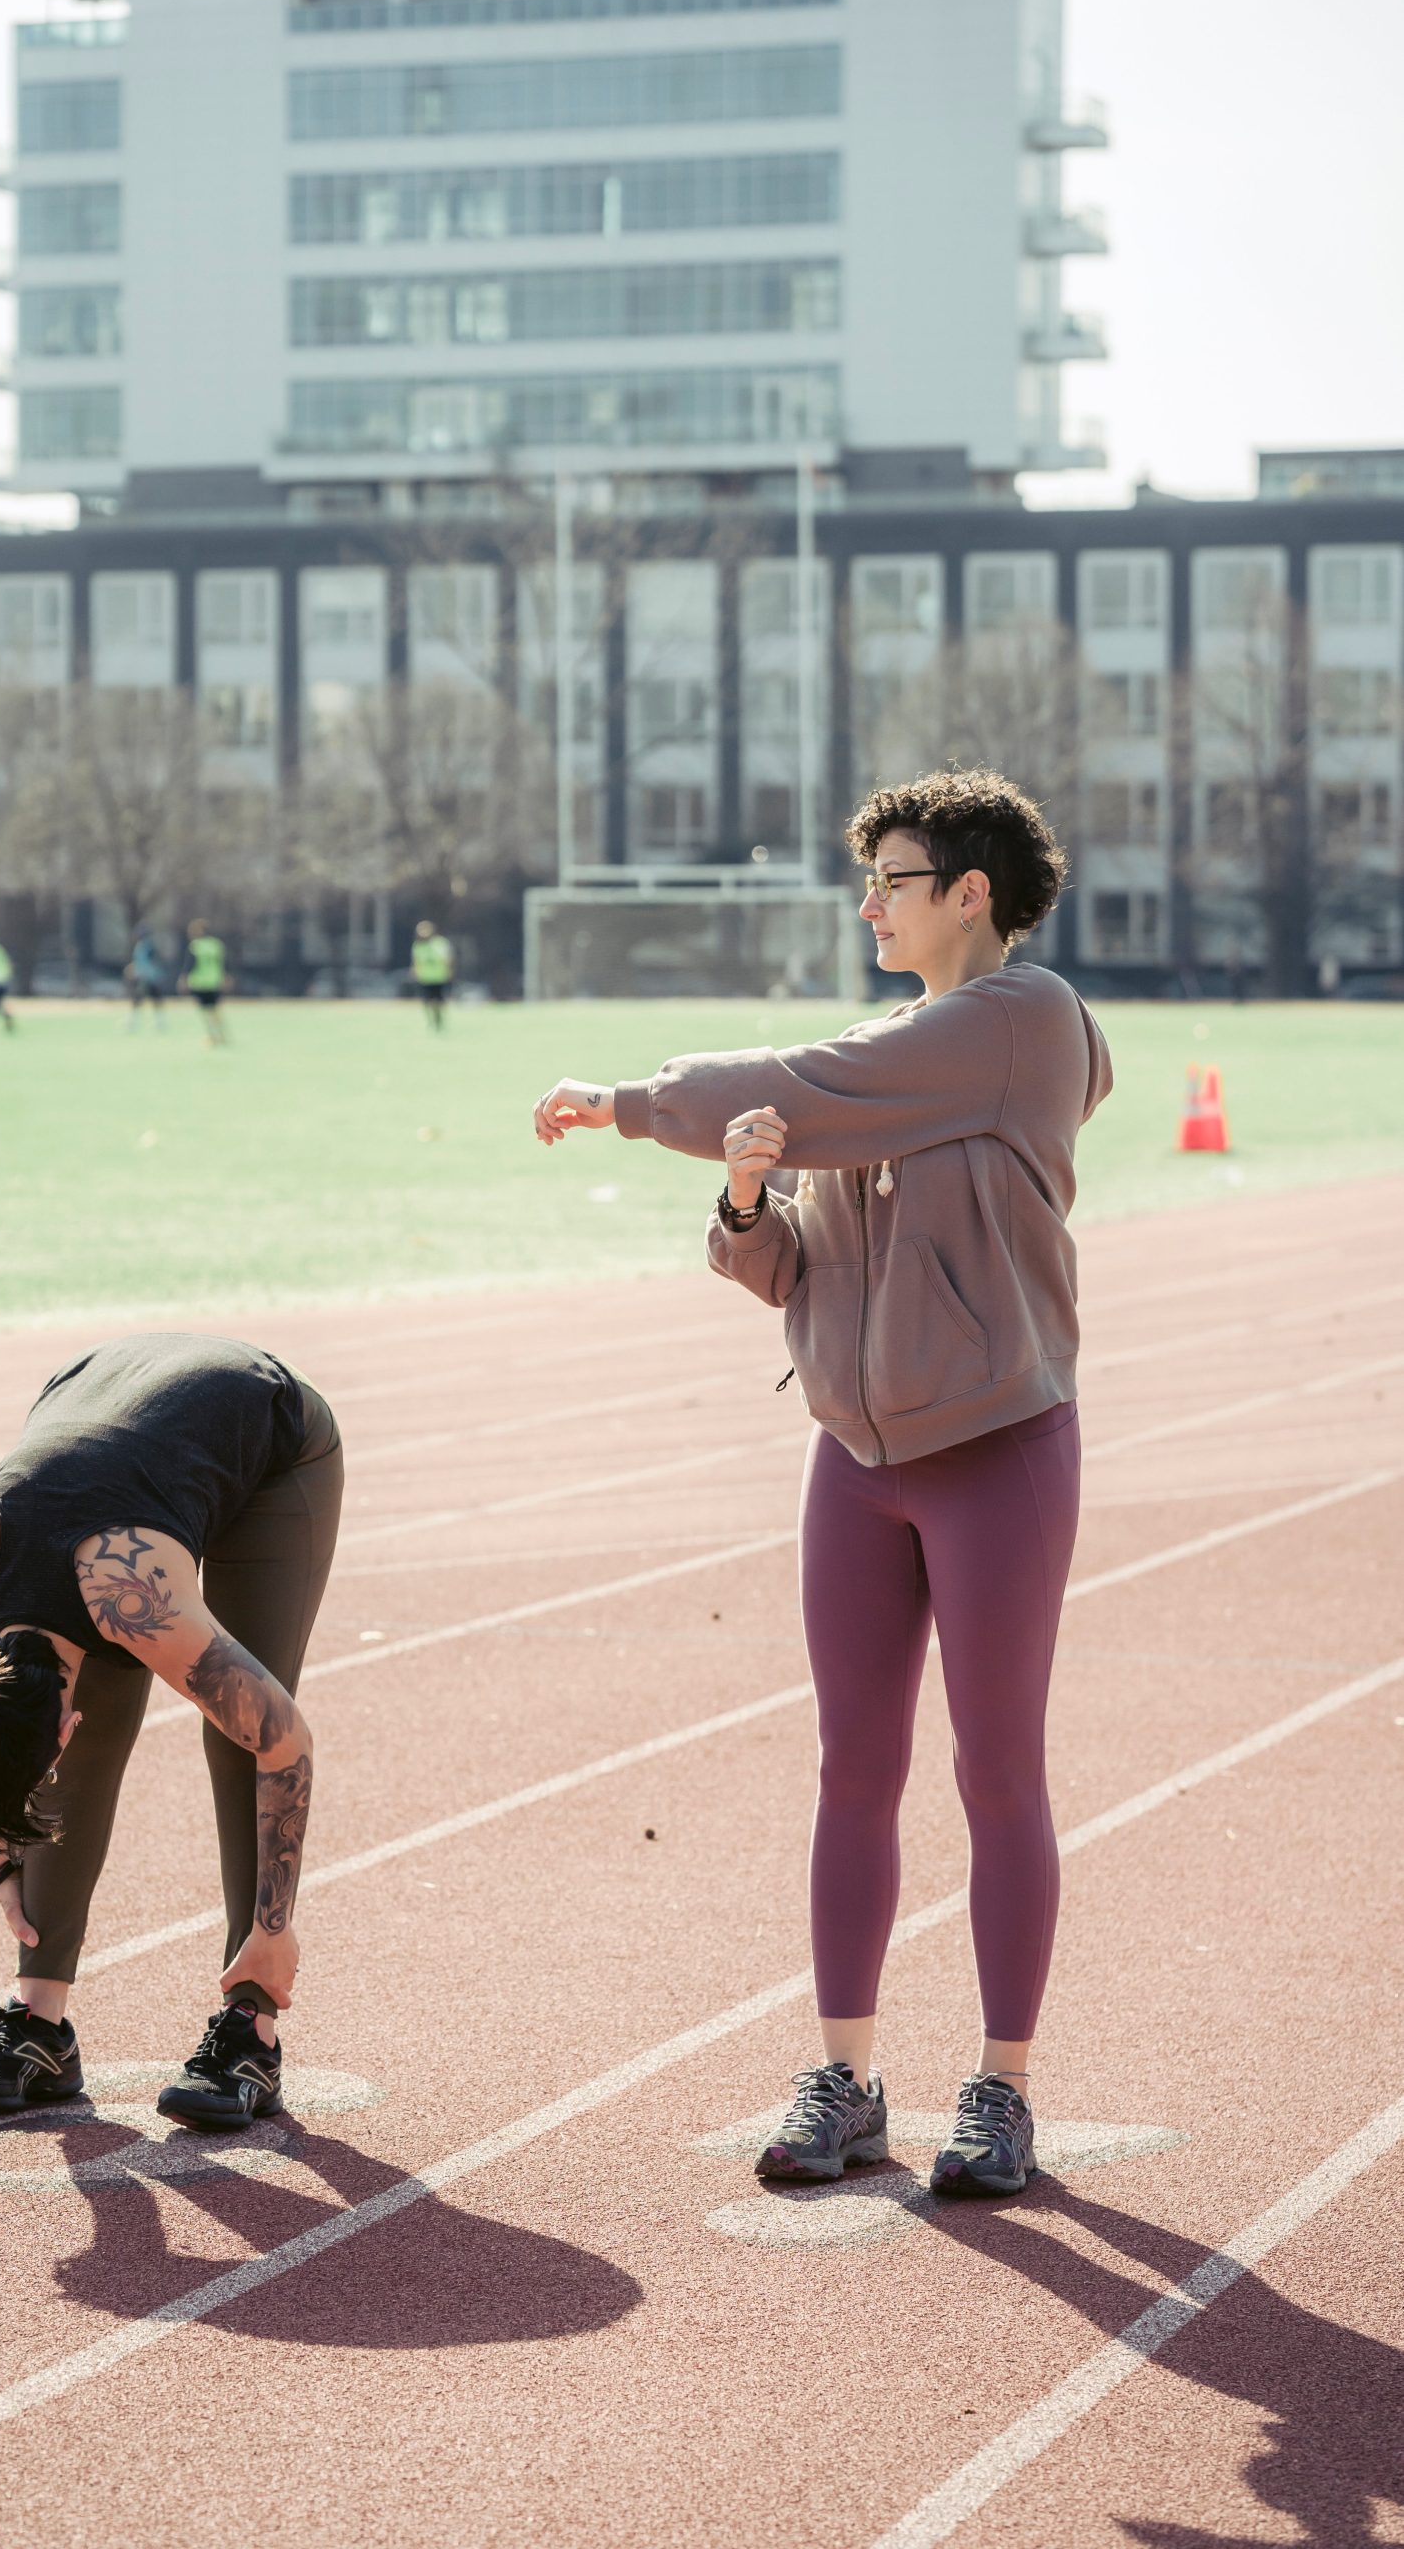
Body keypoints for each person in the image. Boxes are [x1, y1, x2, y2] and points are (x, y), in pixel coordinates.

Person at [532, 768, 1112, 2200]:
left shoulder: (1020, 1026)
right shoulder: (889, 1057)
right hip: (853, 1464)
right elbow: (784, 1263)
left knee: (995, 1771)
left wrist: (624, 1104)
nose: (868, 907)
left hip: (995, 1453)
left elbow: (820, 1088)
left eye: (891, 884)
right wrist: (738, 1199)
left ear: (968, 894)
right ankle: (845, 2077)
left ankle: (1001, 2088)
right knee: (852, 1769)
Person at [0, 1333, 343, 2131]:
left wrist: (273, 1933)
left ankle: (252, 2029)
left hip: (257, 1428)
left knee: (239, 1735)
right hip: (97, 1400)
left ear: (59, 1718)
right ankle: (38, 2021)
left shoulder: (135, 1595)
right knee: (81, 1744)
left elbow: (287, 1745)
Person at [181, 918, 228, 1046]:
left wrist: (184, 979)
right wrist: (225, 977)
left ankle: (212, 1036)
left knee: (205, 1011)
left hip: (200, 982)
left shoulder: (196, 946)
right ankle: (222, 1035)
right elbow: (222, 963)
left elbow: (190, 964)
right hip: (214, 981)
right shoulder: (216, 944)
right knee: (215, 1010)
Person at [411, 920, 455, 1029]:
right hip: (425, 978)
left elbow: (447, 958)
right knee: (427, 1001)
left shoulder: (440, 943)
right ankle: (431, 1021)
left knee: (439, 1001)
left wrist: (449, 970)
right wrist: (415, 971)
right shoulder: (418, 945)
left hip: (439, 977)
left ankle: (439, 1019)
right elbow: (416, 961)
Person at [124, 929, 168, 1031]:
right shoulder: (142, 946)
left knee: (142, 1000)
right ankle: (158, 1023)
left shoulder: (148, 947)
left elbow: (153, 962)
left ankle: (159, 1023)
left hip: (148, 978)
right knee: (148, 1000)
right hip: (145, 977)